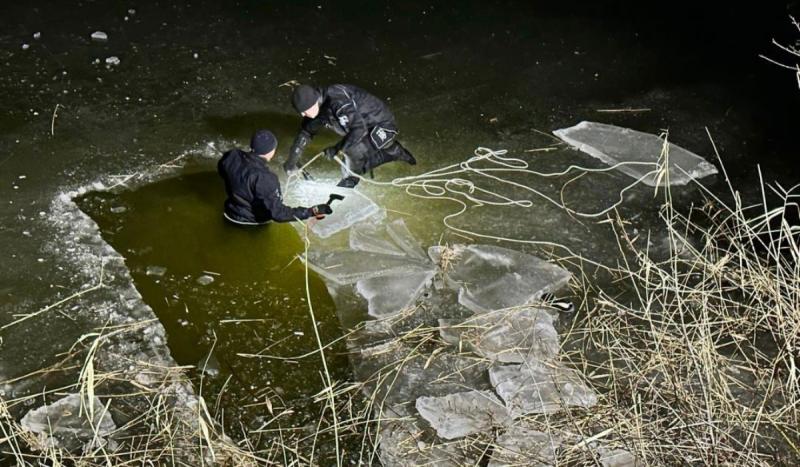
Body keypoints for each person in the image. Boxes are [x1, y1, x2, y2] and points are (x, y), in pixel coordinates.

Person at [284, 84, 416, 188]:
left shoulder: (337, 100)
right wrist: (291, 162)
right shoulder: (316, 107)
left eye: (304, 110)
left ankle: (351, 181)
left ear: (314, 102)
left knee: (353, 153)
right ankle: (391, 151)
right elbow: (305, 134)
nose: (302, 115)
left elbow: (359, 129)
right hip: (360, 126)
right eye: (300, 112)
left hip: (382, 125)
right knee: (353, 151)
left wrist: (337, 149)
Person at [218, 129, 333, 225]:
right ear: (271, 151)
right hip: (250, 222)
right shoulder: (265, 177)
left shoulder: (232, 155)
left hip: (230, 213)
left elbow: (222, 172)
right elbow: (279, 214)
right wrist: (312, 211)